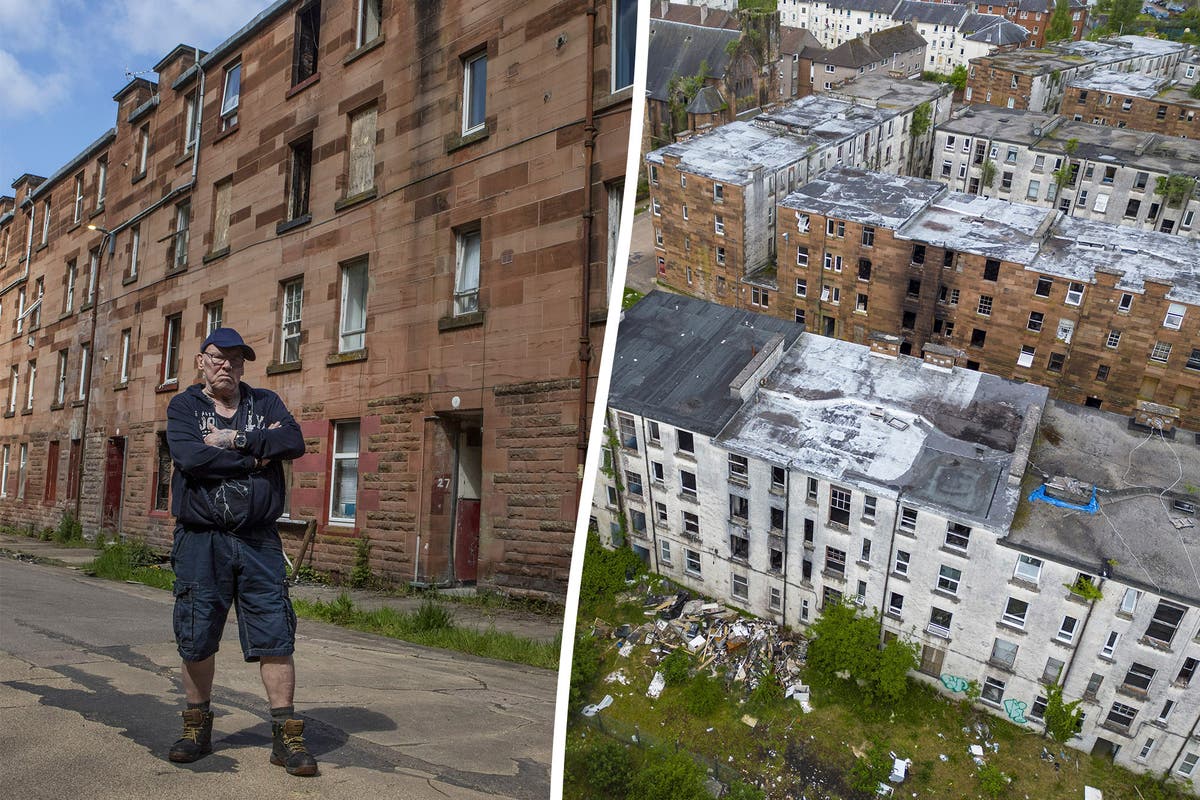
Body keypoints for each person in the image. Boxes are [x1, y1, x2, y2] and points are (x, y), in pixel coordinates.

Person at [164, 327, 315, 776]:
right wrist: (256, 457)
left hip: (258, 539)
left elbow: (293, 442)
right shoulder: (184, 407)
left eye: (236, 358)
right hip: (200, 539)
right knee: (196, 632)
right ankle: (196, 727)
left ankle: (286, 736)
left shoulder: (264, 403)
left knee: (275, 631)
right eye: (218, 357)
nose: (227, 364)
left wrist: (236, 441)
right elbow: (191, 458)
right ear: (200, 361)